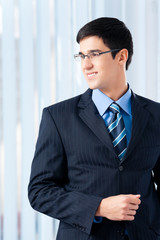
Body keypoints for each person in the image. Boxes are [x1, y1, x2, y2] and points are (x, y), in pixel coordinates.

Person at [28, 17, 160, 240]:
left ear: (121, 56)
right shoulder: (58, 116)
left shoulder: (156, 115)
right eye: (81, 56)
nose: (85, 64)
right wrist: (98, 207)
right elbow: (40, 192)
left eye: (94, 54)